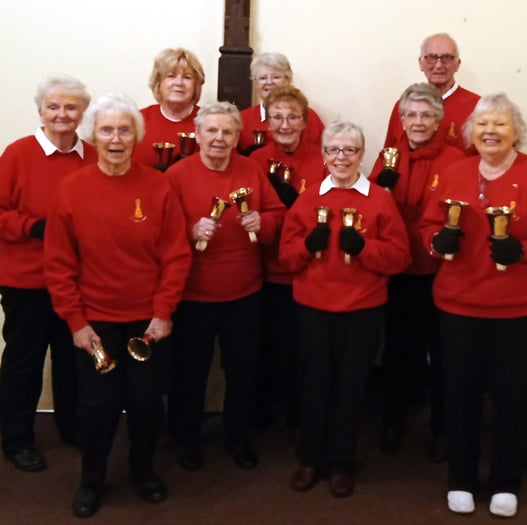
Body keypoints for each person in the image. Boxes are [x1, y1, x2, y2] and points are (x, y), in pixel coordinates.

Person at [420, 93, 527, 517]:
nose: (490, 132)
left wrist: (525, 250)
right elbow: (428, 224)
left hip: (523, 310)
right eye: (483, 124)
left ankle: (506, 482)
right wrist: (437, 242)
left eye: (500, 125)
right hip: (460, 307)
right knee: (460, 395)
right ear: (471, 131)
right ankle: (461, 478)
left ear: (516, 133)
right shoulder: (455, 172)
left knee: (514, 397)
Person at [44, 93, 192, 518]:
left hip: (148, 324)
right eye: (106, 130)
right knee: (97, 407)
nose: (115, 138)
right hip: (95, 323)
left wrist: (163, 312)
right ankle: (92, 479)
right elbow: (58, 262)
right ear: (93, 135)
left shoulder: (157, 186)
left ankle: (143, 471)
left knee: (147, 403)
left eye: (124, 130)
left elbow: (177, 255)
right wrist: (75, 321)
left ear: (136, 137)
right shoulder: (71, 189)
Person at [280, 121, 411, 498]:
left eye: (349, 151)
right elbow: (287, 258)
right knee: (314, 383)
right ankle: (310, 458)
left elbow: (400, 257)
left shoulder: (379, 200)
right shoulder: (308, 199)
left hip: (361, 309)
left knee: (350, 387)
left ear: (361, 155)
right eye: (334, 151)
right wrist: (308, 245)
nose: (341, 158)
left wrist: (365, 249)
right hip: (314, 308)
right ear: (323, 156)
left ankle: (340, 462)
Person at [166, 101, 287, 473]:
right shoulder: (176, 174)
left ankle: (237, 437)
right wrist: (189, 231)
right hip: (193, 294)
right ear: (198, 134)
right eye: (212, 131)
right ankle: (187, 440)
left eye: (227, 132)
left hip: (245, 292)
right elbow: (158, 230)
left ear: (238, 136)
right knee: (190, 371)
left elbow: (278, 216)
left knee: (242, 370)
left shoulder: (251, 169)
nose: (219, 138)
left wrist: (261, 222)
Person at [0, 75, 96, 473]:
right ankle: (17, 438)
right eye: (53, 107)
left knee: (73, 359)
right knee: (25, 360)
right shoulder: (17, 155)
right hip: (27, 279)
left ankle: (72, 428)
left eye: (70, 107)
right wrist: (32, 227)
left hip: (76, 281)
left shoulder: (93, 157)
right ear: (40, 111)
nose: (62, 114)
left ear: (82, 113)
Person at [370, 83, 465, 458]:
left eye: (427, 115)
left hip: (439, 271)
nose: (418, 122)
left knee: (442, 352)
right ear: (402, 119)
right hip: (397, 269)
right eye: (411, 115)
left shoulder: (456, 159)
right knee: (397, 350)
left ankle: (443, 428)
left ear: (439, 120)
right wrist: (381, 188)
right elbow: (372, 209)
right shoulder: (388, 157)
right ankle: (393, 421)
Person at [249, 85, 326, 430]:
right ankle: (265, 415)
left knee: (306, 351)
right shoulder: (254, 161)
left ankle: (301, 416)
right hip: (266, 272)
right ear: (266, 122)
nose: (284, 124)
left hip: (309, 273)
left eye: (292, 116)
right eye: (277, 117)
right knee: (267, 348)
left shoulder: (322, 157)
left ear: (305, 121)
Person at [384, 33, 479, 153]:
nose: (438, 65)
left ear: (458, 64)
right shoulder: (405, 105)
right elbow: (389, 155)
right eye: (431, 58)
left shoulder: (477, 107)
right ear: (420, 63)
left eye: (447, 58)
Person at [238, 52, 324, 154]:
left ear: (288, 79)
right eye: (262, 78)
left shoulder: (309, 116)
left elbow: (325, 156)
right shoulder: (242, 119)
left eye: (276, 77)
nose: (269, 82)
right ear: (255, 83)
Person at [133, 47, 206, 169]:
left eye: (187, 77)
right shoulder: (137, 121)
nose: (179, 83)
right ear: (159, 83)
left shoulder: (208, 122)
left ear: (196, 85)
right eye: (171, 76)